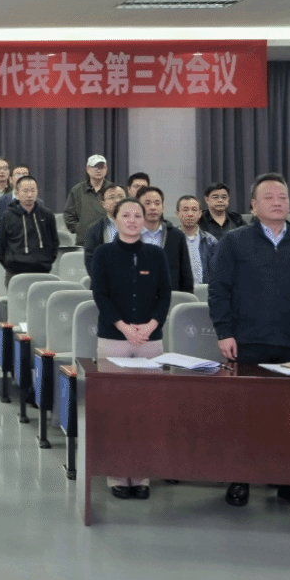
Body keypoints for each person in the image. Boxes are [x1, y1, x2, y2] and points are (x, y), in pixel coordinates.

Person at [206, 172, 290, 511]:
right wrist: (224, 332)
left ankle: (287, 482)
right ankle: (240, 478)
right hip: (247, 341)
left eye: (283, 197)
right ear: (253, 205)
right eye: (270, 197)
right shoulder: (234, 241)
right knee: (244, 414)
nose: (278, 202)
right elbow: (219, 290)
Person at [90, 197, 172, 500]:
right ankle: (117, 475)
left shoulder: (156, 254)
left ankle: (141, 476)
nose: (133, 220)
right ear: (116, 219)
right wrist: (124, 327)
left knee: (146, 410)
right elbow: (100, 294)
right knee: (115, 409)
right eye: (127, 215)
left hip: (150, 340)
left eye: (138, 215)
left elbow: (165, 294)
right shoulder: (104, 253)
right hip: (114, 338)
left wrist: (151, 325)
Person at [0, 175, 59, 286]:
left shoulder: (47, 214)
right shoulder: (8, 215)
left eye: (33, 190)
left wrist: (47, 261)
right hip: (15, 272)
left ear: (37, 192)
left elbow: (54, 241)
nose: (29, 195)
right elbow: (0, 244)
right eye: (25, 191)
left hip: (42, 271)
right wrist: (10, 264)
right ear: (17, 193)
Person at [136, 187, 194, 293]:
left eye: (157, 203)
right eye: (147, 203)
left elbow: (186, 277)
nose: (153, 207)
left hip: (170, 298)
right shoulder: (127, 235)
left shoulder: (176, 236)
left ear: (163, 207)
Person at [173, 195, 219, 287]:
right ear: (177, 213)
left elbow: (217, 272)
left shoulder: (211, 241)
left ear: (200, 214)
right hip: (177, 290)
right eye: (185, 210)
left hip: (204, 290)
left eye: (194, 210)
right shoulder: (170, 239)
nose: (190, 214)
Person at [63, 154, 112, 238]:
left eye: (102, 167)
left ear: (106, 169)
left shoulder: (113, 189)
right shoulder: (77, 190)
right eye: (95, 167)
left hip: (109, 238)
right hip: (84, 240)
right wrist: (80, 230)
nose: (98, 170)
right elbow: (69, 215)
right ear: (87, 169)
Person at [79, 184, 128, 267]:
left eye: (121, 197)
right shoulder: (94, 231)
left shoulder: (139, 226)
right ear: (103, 203)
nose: (117, 200)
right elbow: (90, 261)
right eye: (112, 197)